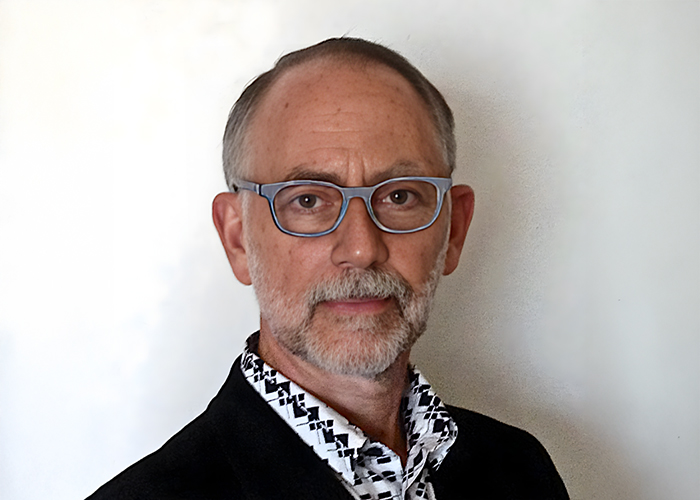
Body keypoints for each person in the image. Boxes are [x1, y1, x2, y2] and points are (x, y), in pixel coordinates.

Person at [87, 37, 569, 500]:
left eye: (400, 196)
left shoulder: (522, 471)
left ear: (454, 230)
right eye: (308, 201)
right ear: (237, 239)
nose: (361, 249)